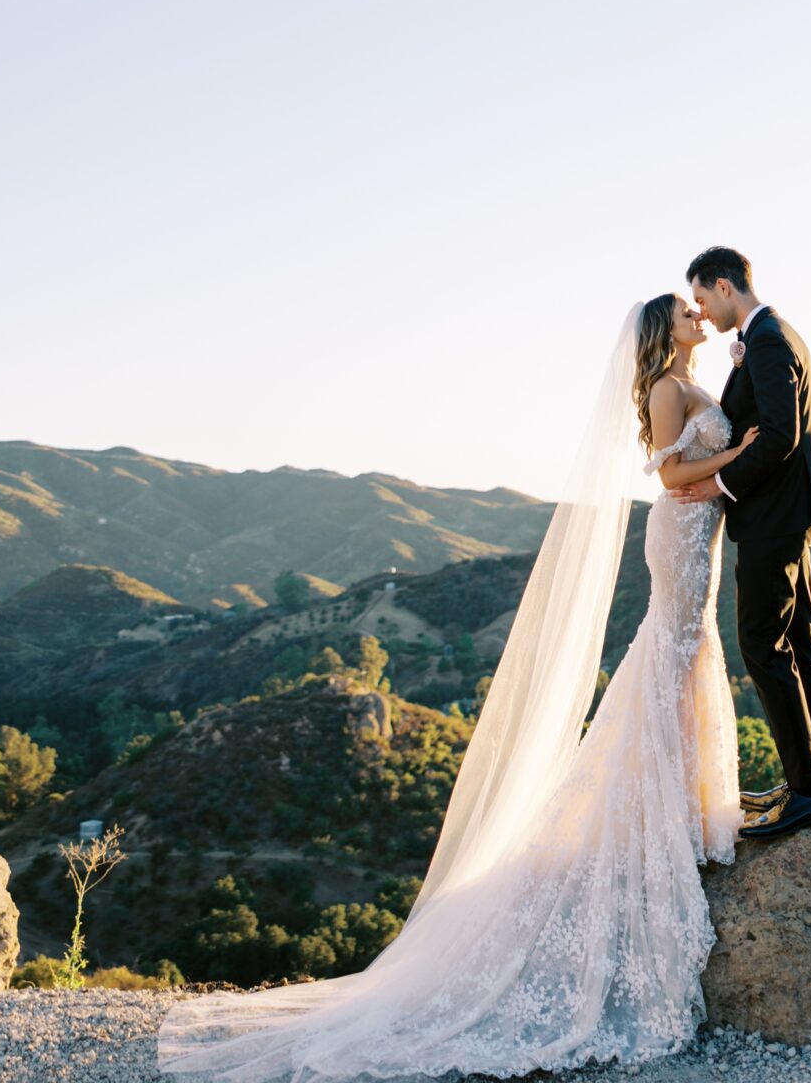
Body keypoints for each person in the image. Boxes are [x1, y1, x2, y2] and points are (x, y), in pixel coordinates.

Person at [157, 296, 754, 1082]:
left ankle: (678, 794)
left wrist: (734, 399)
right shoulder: (663, 388)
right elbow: (674, 471)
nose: (693, 311)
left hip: (697, 539)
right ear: (658, 330)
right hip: (678, 539)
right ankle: (659, 801)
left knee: (684, 653)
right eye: (681, 308)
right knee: (672, 654)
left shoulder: (691, 376)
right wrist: (732, 457)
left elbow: (695, 451)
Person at [680, 245, 811, 837]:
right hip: (788, 514)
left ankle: (810, 791)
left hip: (775, 515)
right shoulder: (777, 333)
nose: (702, 312)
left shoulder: (769, 340)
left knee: (762, 643)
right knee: (801, 646)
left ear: (725, 286)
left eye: (702, 298)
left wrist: (720, 483)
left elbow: (779, 435)